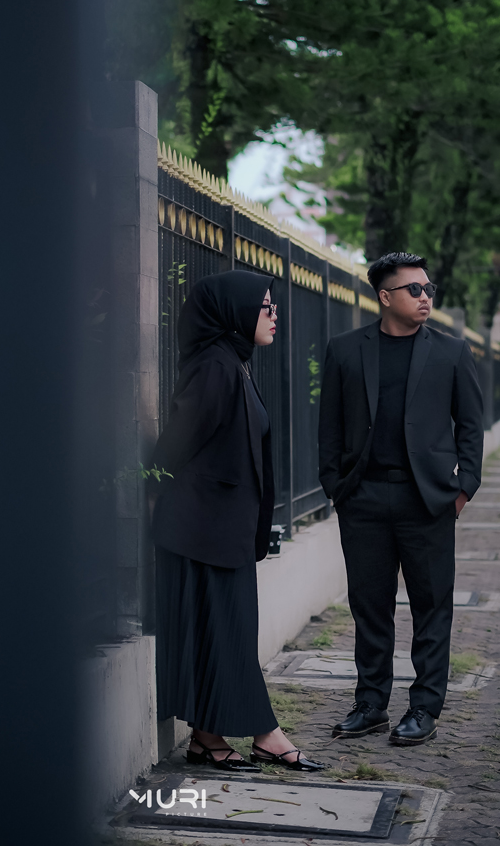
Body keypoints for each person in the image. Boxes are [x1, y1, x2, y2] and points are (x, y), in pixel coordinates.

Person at [151, 270, 324, 772]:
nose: (274, 314)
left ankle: (207, 739)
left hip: (219, 530)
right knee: (227, 634)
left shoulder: (234, 363)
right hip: (201, 529)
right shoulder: (216, 366)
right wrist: (151, 490)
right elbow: (178, 441)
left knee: (224, 635)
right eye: (265, 306)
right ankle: (266, 735)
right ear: (234, 313)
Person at [319, 252, 483, 747]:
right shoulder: (345, 350)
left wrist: (462, 491)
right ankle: (371, 704)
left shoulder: (452, 352)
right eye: (414, 289)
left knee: (432, 608)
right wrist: (337, 488)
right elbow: (329, 428)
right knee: (370, 607)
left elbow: (470, 426)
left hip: (427, 501)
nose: (425, 296)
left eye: (428, 288)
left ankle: (424, 708)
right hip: (363, 498)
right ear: (385, 296)